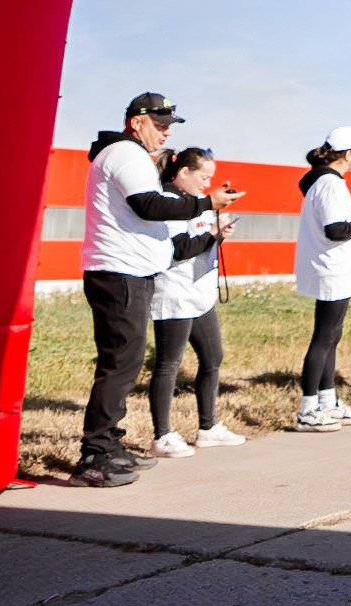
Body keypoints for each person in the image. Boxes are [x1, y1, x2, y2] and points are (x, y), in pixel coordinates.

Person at [77, 93, 231, 487]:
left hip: (128, 273)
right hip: (119, 273)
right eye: (160, 124)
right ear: (136, 122)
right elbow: (147, 205)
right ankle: (95, 455)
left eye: (169, 126)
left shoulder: (127, 155)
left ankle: (110, 444)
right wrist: (203, 205)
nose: (165, 132)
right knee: (120, 365)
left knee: (124, 364)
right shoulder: (126, 155)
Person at [147, 146, 244, 455]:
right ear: (183, 173)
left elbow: (201, 242)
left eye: (211, 178)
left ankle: (208, 427)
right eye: (204, 177)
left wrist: (218, 230)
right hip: (175, 296)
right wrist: (214, 234)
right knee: (168, 364)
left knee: (213, 357)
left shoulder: (198, 205)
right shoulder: (171, 202)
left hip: (200, 296)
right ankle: (162, 435)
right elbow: (179, 249)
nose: (207, 184)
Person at [294, 126, 351, 431]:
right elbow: (335, 230)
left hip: (332, 269)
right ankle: (307, 407)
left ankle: (327, 401)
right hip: (331, 269)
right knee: (324, 338)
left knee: (331, 337)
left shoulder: (324, 182)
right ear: (348, 154)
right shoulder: (330, 184)